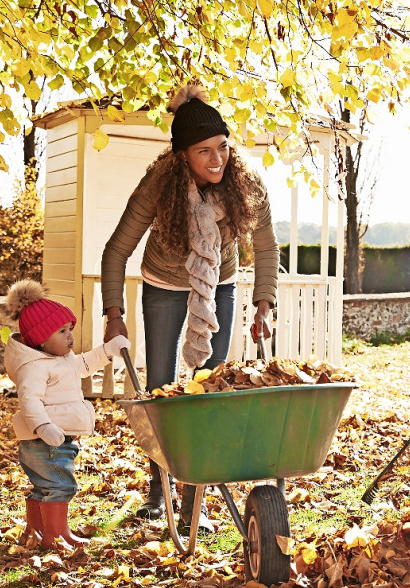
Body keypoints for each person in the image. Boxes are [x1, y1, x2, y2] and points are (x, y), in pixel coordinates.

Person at [100, 83, 280, 532]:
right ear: (182, 155)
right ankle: (157, 489)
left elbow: (265, 246)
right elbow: (115, 251)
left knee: (208, 390)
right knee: (161, 388)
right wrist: (114, 315)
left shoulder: (246, 184)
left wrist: (264, 303)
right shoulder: (158, 186)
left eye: (222, 147)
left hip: (218, 284)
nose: (217, 159)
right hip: (164, 283)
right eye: (204, 152)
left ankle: (192, 497)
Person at [3, 279, 130, 550]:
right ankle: (57, 536)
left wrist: (108, 351)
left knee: (44, 487)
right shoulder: (34, 368)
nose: (70, 336)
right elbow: (29, 401)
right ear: (40, 339)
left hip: (53, 438)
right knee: (60, 487)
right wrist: (43, 427)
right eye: (62, 331)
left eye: (70, 329)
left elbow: (83, 364)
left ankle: (37, 531)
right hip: (45, 441)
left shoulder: (61, 359)